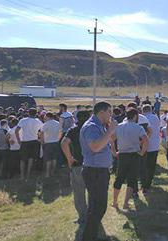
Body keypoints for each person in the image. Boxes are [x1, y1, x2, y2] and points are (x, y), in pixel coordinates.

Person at [80, 101, 117, 241]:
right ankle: (88, 237)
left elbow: (105, 142)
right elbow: (95, 147)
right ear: (101, 112)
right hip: (95, 172)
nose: (111, 115)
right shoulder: (91, 127)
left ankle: (90, 236)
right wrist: (110, 130)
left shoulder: (99, 126)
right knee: (98, 207)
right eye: (109, 112)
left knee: (96, 207)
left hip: (98, 171)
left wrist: (109, 131)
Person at [112, 108, 148, 209]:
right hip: (134, 155)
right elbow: (146, 140)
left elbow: (111, 139)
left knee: (119, 178)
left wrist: (114, 152)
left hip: (122, 155)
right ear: (135, 116)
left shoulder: (119, 126)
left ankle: (115, 202)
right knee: (132, 180)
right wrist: (141, 153)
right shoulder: (138, 127)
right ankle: (125, 203)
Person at [61, 110, 91, 225]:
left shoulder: (73, 130)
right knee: (93, 191)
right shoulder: (92, 129)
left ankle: (83, 216)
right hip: (93, 164)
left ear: (77, 119)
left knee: (79, 192)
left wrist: (69, 159)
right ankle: (93, 214)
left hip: (78, 164)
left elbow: (64, 143)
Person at [15, 108, 43, 180]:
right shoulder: (38, 121)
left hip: (25, 141)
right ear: (36, 113)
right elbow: (41, 131)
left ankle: (22, 175)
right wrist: (39, 138)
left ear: (28, 113)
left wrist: (18, 140)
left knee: (22, 159)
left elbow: (16, 130)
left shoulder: (23, 120)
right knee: (31, 158)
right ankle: (28, 175)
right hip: (34, 141)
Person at [142, 104, 161, 193]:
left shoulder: (142, 118)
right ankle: (149, 182)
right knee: (152, 165)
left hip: (145, 144)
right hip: (155, 144)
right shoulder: (156, 117)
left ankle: (144, 184)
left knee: (144, 165)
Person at [40, 112, 61, 178]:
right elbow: (61, 132)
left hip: (48, 143)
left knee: (48, 159)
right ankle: (52, 172)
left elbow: (42, 134)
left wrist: (42, 142)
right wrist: (58, 139)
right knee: (54, 158)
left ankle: (47, 174)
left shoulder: (45, 124)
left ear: (48, 117)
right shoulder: (58, 123)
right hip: (55, 142)